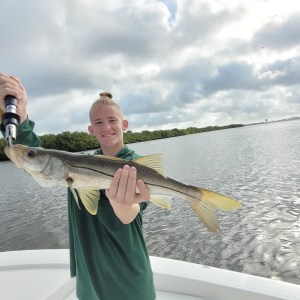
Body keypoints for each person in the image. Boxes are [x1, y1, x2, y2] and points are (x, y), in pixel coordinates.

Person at [0, 72, 156, 300]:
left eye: (112, 120)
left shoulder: (135, 166)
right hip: (88, 274)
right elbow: (37, 159)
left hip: (126, 274)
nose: (106, 127)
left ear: (124, 124)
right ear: (91, 130)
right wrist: (21, 117)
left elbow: (131, 214)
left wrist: (123, 205)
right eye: (98, 122)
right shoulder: (76, 164)